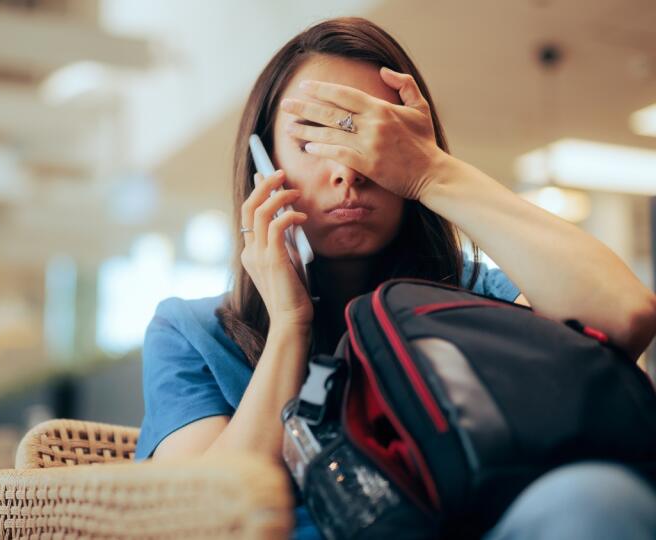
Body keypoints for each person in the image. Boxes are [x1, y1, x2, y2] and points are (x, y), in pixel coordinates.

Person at [134, 17, 656, 539]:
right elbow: (198, 524)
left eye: (375, 138)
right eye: (314, 139)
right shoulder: (191, 333)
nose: (350, 171)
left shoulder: (473, 300)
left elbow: (625, 316)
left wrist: (433, 172)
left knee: (597, 499)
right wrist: (291, 325)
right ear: (264, 166)